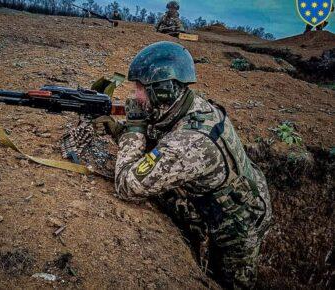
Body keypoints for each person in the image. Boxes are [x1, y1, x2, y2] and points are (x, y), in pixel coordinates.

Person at [112, 41, 272, 289]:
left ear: (162, 91)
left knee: (232, 282)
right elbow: (162, 134)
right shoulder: (189, 104)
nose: (134, 95)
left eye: (140, 88)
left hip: (238, 226)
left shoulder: (190, 143)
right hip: (240, 193)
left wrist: (133, 130)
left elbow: (127, 185)